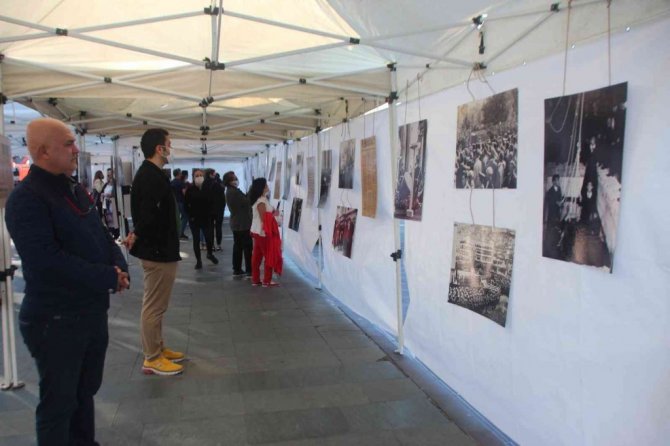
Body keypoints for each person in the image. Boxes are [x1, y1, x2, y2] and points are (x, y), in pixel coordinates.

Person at [5, 118, 129, 445]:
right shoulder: (27, 198)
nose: (76, 150)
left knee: (83, 392)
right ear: (44, 151)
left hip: (87, 312)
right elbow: (47, 261)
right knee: (59, 403)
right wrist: (107, 276)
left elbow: (100, 234)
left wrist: (118, 264)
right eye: (68, 143)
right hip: (55, 318)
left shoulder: (72, 188)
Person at [126, 128, 184, 376]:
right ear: (159, 149)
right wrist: (137, 234)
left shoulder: (152, 174)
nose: (171, 148)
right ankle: (152, 357)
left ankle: (158, 348)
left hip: (160, 248)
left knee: (158, 306)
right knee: (154, 306)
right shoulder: (150, 176)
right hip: (157, 251)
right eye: (169, 144)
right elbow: (147, 215)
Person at [249, 178, 282, 287]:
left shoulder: (262, 199)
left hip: (258, 231)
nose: (268, 186)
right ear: (262, 187)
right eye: (266, 185)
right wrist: (274, 216)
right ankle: (267, 280)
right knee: (268, 255)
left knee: (257, 256)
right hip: (262, 232)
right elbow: (264, 218)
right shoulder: (261, 201)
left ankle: (256, 279)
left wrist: (273, 213)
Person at [185, 169, 219, 269]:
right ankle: (198, 261)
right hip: (194, 219)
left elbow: (212, 202)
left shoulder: (207, 188)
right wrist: (190, 216)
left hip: (206, 218)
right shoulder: (190, 189)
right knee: (196, 240)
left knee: (209, 238)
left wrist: (212, 214)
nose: (199, 177)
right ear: (193, 177)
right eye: (197, 175)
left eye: (201, 175)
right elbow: (186, 204)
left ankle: (209, 253)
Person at [223, 171, 252, 277]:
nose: (236, 180)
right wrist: (251, 192)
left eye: (235, 178)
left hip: (238, 222)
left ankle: (237, 268)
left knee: (238, 246)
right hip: (241, 223)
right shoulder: (233, 192)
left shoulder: (232, 191)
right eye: (233, 179)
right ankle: (248, 269)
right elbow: (246, 202)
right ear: (228, 181)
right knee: (246, 247)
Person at [209, 169, 226, 251]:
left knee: (211, 228)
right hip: (219, 210)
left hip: (210, 209)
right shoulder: (221, 186)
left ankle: (212, 245)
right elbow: (223, 199)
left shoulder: (208, 184)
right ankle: (219, 244)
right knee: (218, 228)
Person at [170, 168, 189, 240]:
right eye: (180, 173)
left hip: (174, 202)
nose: (181, 174)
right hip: (181, 202)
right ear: (178, 174)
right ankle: (181, 233)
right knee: (185, 217)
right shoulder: (181, 182)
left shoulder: (172, 182)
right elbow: (184, 193)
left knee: (178, 218)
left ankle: (177, 232)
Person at [102, 167, 120, 239]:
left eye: (110, 174)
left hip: (113, 205)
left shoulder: (115, 184)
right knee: (108, 221)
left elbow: (116, 194)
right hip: (106, 205)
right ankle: (111, 234)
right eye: (108, 175)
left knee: (114, 222)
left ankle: (116, 235)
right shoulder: (106, 184)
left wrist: (109, 195)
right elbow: (102, 192)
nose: (109, 176)